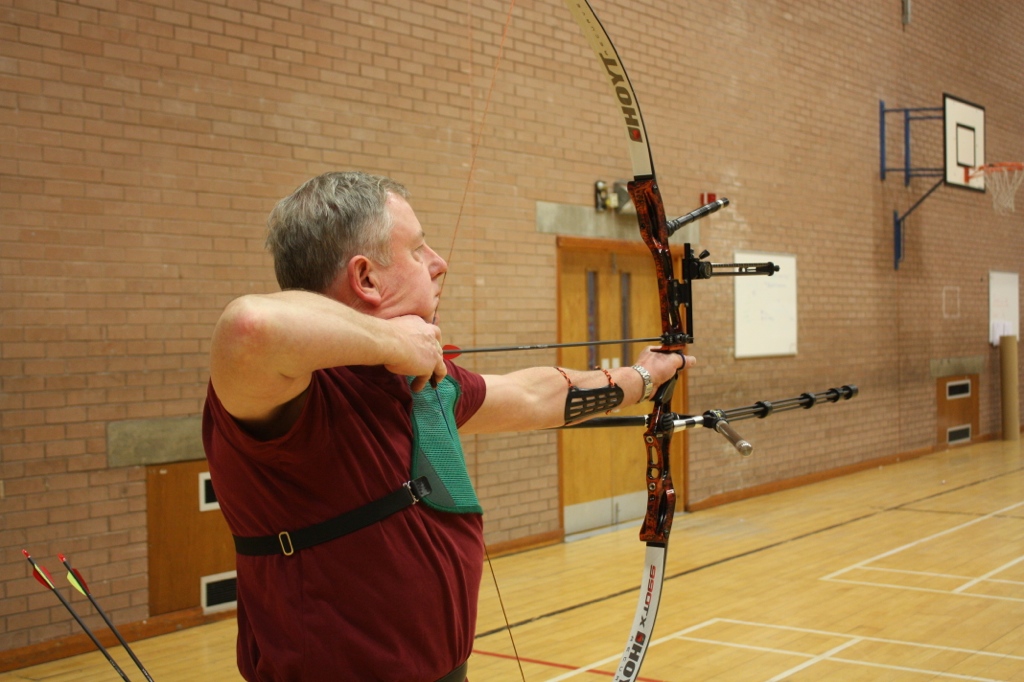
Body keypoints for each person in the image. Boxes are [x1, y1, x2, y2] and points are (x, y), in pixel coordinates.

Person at [202, 171, 690, 681]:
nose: (440, 263)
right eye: (418, 250)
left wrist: (642, 376)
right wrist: (394, 343)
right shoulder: (298, 393)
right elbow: (249, 326)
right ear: (366, 278)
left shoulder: (417, 382)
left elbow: (531, 395)